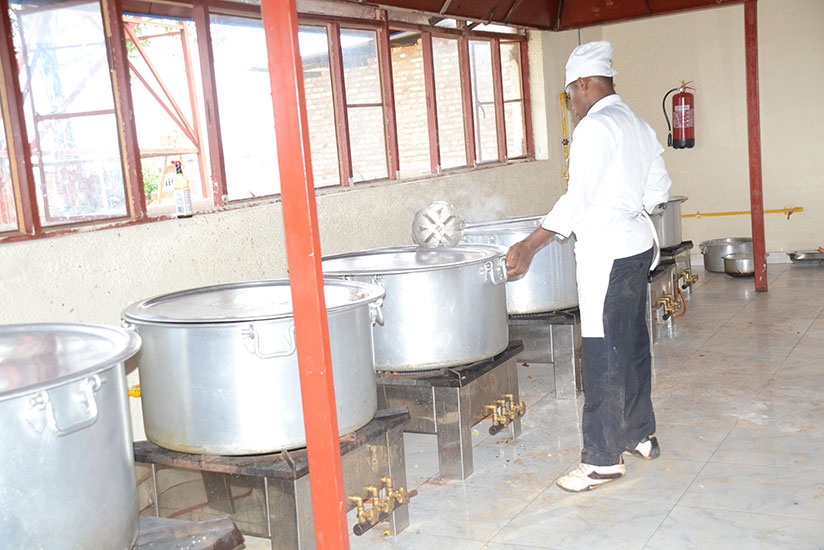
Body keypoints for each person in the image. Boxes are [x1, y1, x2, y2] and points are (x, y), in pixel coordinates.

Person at [506, 41, 672, 492]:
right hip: (637, 246)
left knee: (602, 349)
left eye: (570, 96)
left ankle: (602, 459)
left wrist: (530, 244)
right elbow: (658, 188)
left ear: (583, 84)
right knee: (632, 341)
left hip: (607, 254)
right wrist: (627, 209)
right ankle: (640, 434)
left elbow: (576, 200)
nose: (572, 106)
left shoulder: (595, 127)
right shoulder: (635, 121)